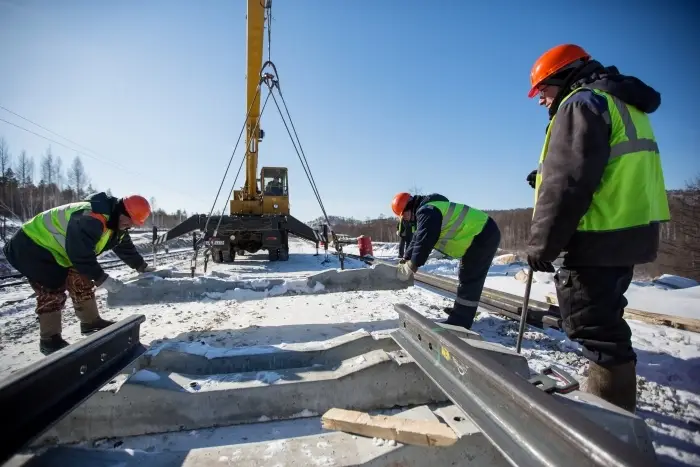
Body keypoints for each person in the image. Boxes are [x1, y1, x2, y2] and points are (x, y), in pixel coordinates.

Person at [525, 44, 670, 413]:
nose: (542, 100)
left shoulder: (580, 103)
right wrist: (541, 176)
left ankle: (612, 426)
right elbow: (602, 167)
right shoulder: (622, 102)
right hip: (627, 231)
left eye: (543, 90)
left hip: (596, 237)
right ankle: (612, 404)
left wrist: (542, 246)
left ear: (563, 76)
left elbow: (568, 184)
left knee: (595, 330)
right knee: (605, 323)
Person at [2, 192, 155, 355]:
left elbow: (124, 247)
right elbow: (80, 253)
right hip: (32, 246)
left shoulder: (117, 223)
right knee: (52, 290)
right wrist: (102, 279)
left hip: (61, 251)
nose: (131, 226)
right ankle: (49, 340)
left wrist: (142, 266)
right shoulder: (91, 217)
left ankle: (91, 322)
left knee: (83, 279)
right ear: (121, 212)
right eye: (130, 222)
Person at [391, 192, 501, 330]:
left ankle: (460, 322)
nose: (405, 219)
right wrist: (406, 258)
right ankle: (461, 313)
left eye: (404, 215)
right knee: (466, 276)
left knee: (470, 279)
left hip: (483, 235)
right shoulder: (427, 210)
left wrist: (412, 265)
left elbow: (425, 240)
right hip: (480, 235)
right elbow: (417, 239)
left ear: (409, 208)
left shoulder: (427, 211)